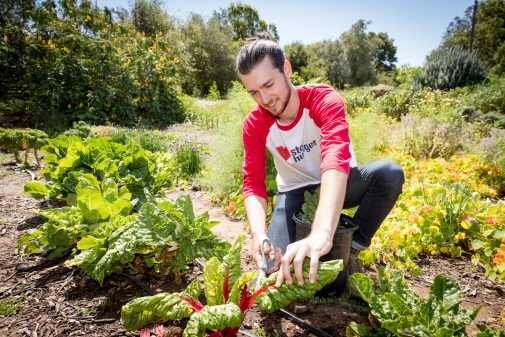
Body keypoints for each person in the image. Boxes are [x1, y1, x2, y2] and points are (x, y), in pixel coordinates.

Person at [236, 33, 404, 291]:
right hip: (294, 192)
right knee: (273, 266)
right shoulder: (254, 124)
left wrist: (322, 233)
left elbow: (336, 160)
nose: (265, 99)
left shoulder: (323, 99)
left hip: (343, 183)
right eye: (254, 93)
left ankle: (353, 249)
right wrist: (259, 234)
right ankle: (305, 243)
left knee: (389, 174)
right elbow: (253, 183)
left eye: (269, 85)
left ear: (287, 69)